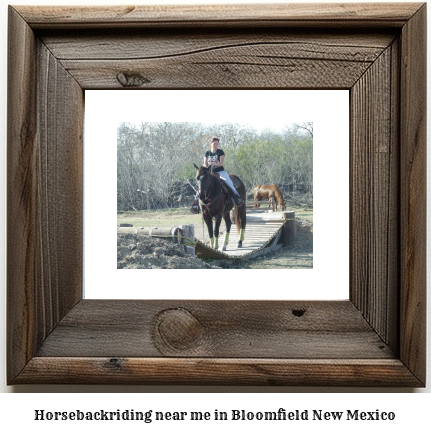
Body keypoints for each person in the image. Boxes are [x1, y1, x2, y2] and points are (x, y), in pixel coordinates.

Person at [204, 137, 244, 207]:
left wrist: (212, 163)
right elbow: (205, 164)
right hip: (210, 173)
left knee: (229, 183)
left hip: (220, 172)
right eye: (214, 143)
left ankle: (237, 197)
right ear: (211, 144)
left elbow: (221, 163)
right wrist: (203, 167)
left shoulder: (220, 152)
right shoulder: (207, 153)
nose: (216, 145)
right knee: (201, 183)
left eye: (217, 144)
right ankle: (196, 203)